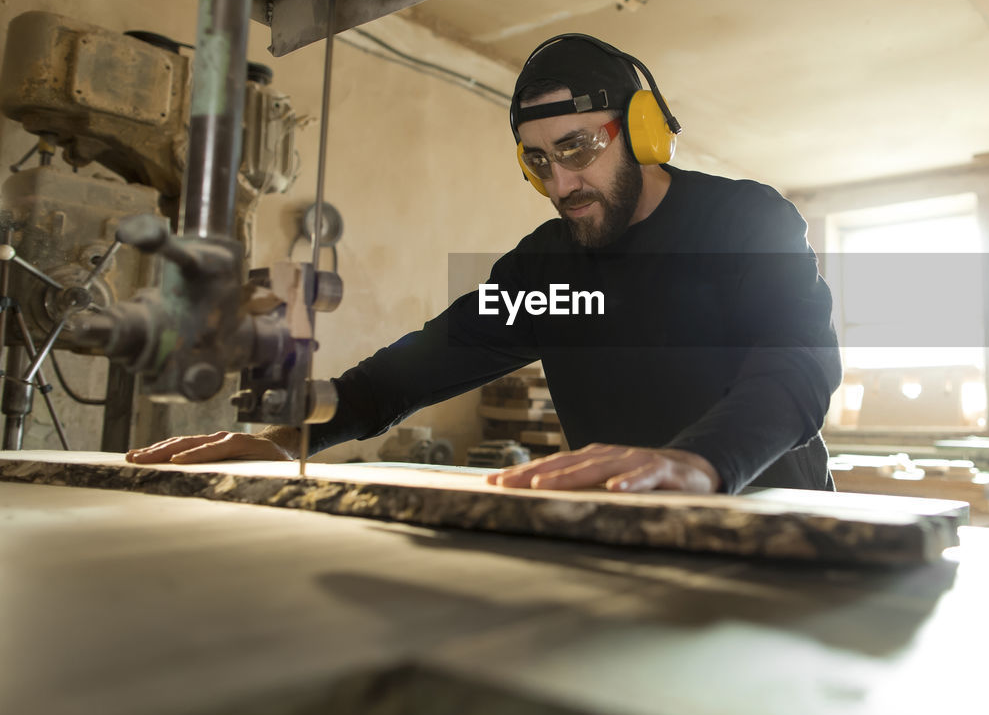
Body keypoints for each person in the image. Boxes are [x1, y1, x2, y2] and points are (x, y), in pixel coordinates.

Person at [127, 34, 842, 494]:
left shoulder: (745, 222)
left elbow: (799, 365)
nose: (562, 184)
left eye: (579, 147)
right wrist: (287, 438)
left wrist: (701, 463)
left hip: (779, 526)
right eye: (539, 160)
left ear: (644, 129)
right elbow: (414, 369)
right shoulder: (548, 271)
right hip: (635, 529)